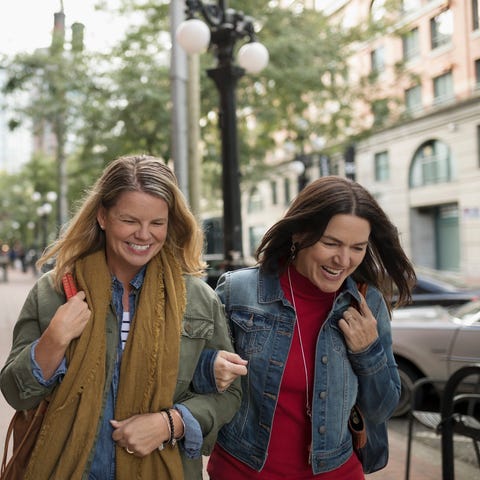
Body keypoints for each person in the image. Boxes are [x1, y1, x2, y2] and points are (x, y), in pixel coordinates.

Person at [0, 155, 243, 480]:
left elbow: (230, 394)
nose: (144, 235)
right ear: (102, 216)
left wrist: (171, 423)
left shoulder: (197, 298)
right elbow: (15, 393)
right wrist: (54, 340)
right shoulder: (54, 291)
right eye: (129, 220)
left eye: (157, 223)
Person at [207, 176, 416, 479]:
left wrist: (367, 352)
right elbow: (198, 381)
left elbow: (381, 409)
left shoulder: (366, 303)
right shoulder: (238, 292)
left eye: (357, 247)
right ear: (299, 234)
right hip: (243, 468)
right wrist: (209, 367)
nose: (343, 260)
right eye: (331, 243)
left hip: (336, 471)